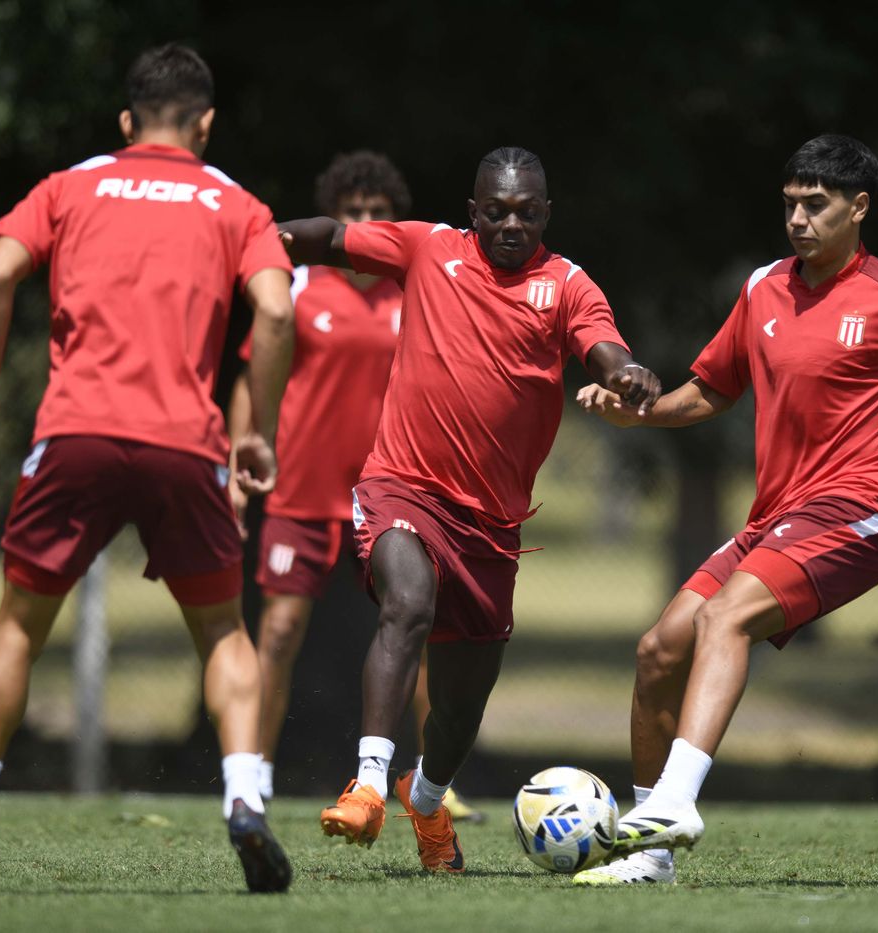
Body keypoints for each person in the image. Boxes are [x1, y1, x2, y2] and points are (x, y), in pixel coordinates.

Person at [572, 134, 878, 885]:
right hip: (777, 517)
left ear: (858, 208)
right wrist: (639, 416)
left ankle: (676, 804)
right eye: (790, 203)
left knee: (726, 619)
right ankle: (650, 856)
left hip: (864, 511)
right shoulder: (762, 288)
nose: (798, 218)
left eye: (815, 205)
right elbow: (710, 391)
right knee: (659, 649)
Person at [0, 44, 295, 893]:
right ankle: (244, 799)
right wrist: (261, 434)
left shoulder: (70, 184)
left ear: (127, 121)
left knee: (18, 625)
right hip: (184, 441)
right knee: (224, 633)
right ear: (205, 123)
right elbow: (276, 310)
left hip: (75, 433)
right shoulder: (235, 202)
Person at [277, 146, 662, 873]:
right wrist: (251, 239)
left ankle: (425, 801)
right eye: (496, 211)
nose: (510, 224)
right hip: (403, 484)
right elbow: (328, 237)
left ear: (545, 213)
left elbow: (602, 348)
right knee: (407, 604)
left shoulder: (567, 283)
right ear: (472, 211)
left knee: (458, 711)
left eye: (526, 212)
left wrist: (629, 373)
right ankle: (365, 782)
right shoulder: (429, 249)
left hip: (491, 525)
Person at [227, 151, 478, 820]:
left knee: (415, 622)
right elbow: (250, 380)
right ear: (335, 218)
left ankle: (432, 785)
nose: (366, 222)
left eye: (378, 212)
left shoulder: (418, 290)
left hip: (394, 490)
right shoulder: (301, 284)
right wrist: (234, 468)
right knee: (277, 630)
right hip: (301, 489)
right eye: (353, 212)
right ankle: (254, 775)